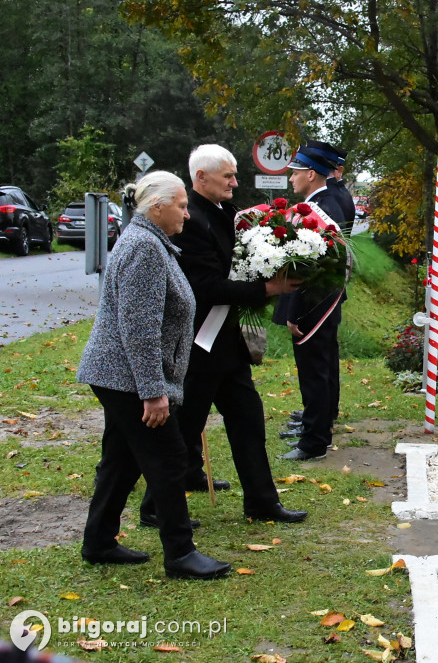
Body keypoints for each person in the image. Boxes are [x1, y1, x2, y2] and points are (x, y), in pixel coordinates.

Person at [140, 144, 307, 524]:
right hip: (198, 344)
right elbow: (205, 286)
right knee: (183, 429)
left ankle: (262, 502)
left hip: (228, 342)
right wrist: (267, 290)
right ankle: (154, 507)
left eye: (234, 174)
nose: (235, 181)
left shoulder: (226, 212)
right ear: (201, 177)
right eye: (228, 176)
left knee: (249, 420)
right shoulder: (190, 220)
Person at [77, 171, 230, 579]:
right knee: (168, 457)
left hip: (119, 374)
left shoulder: (151, 241)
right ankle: (180, 553)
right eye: (181, 206)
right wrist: (153, 392)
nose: (188, 213)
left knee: (122, 459)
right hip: (127, 376)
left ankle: (98, 541)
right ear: (156, 207)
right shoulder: (144, 247)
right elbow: (139, 328)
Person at [274, 143, 349, 461]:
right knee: (321, 367)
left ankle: (314, 440)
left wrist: (295, 311)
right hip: (322, 301)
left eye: (295, 173)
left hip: (314, 303)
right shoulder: (324, 201)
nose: (291, 180)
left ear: (310, 174)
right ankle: (316, 428)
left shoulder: (321, 208)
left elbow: (310, 268)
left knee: (314, 370)